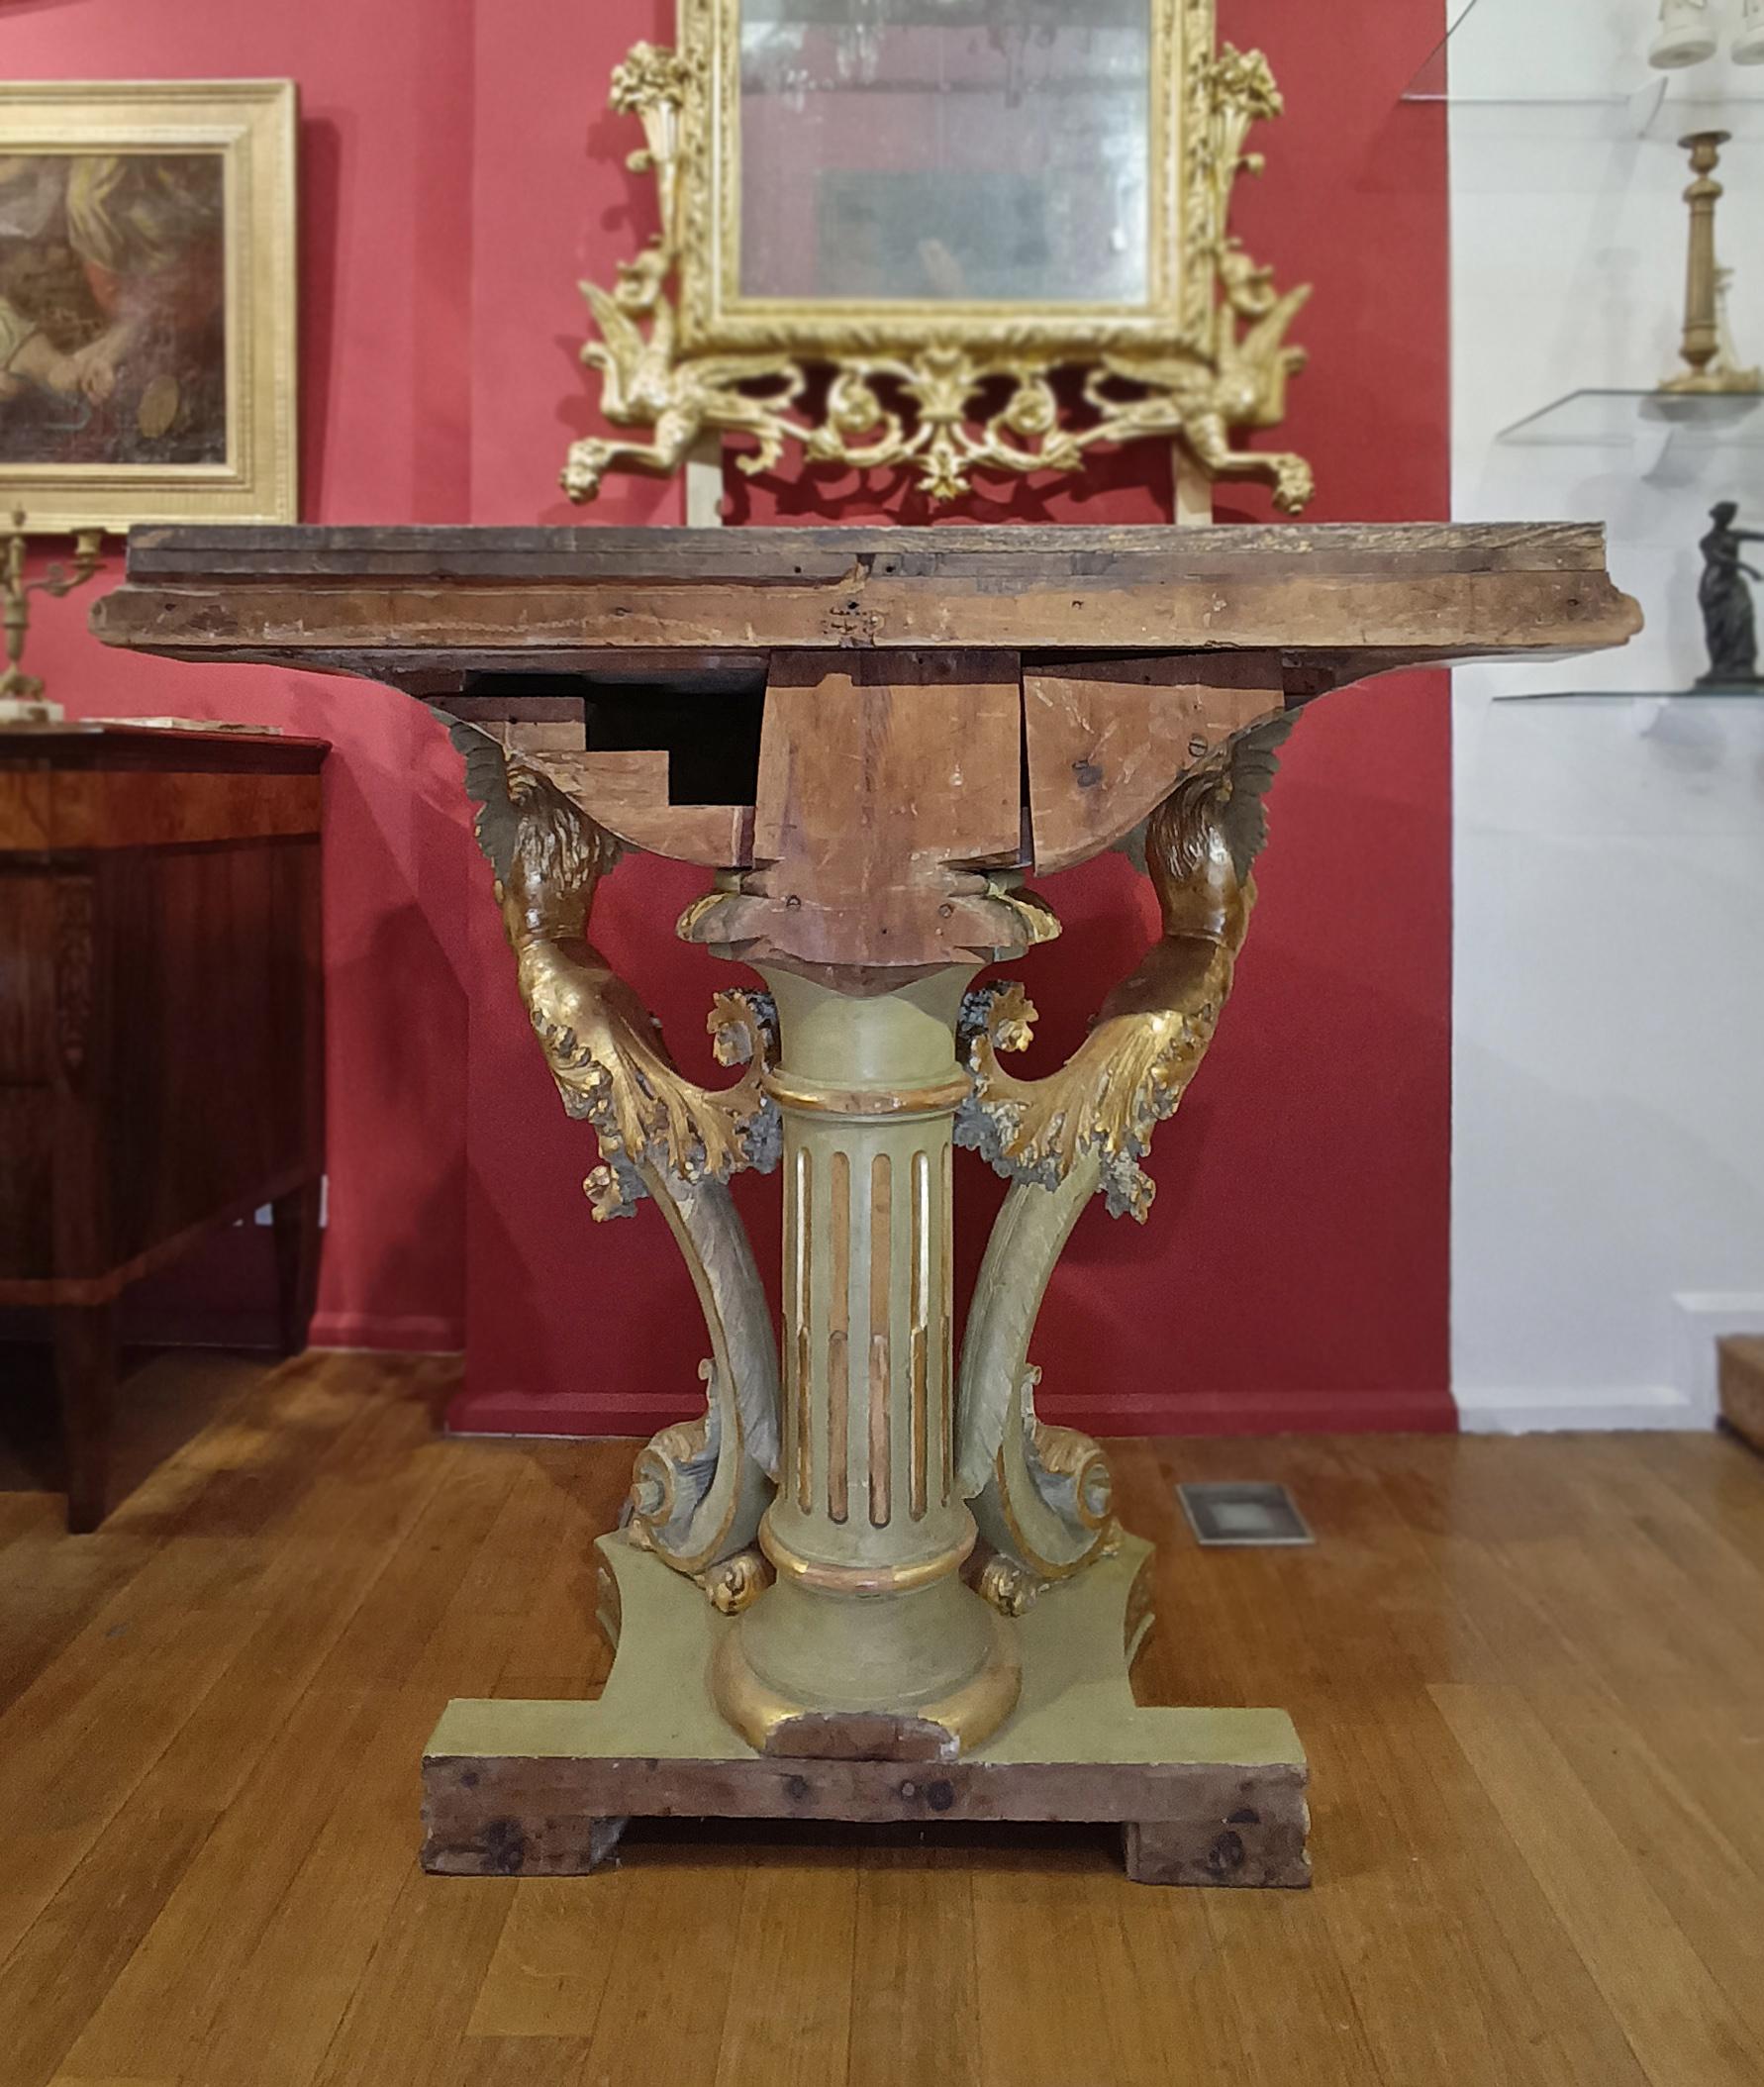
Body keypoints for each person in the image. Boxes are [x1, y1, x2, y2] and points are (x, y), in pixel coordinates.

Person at [1698, 501, 1764, 686]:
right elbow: (1720, 559)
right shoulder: (1707, 541)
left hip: (1733, 583)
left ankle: (1741, 663)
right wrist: (1749, 569)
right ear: (1718, 516)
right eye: (1727, 514)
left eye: (1732, 514)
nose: (1730, 518)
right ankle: (1720, 665)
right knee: (1718, 625)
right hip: (1714, 585)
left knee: (1742, 619)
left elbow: (1757, 536)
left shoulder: (1734, 535)